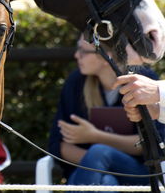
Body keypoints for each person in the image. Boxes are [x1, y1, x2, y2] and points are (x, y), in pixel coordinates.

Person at [48, 34, 165, 191]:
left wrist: (95, 137)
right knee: (107, 182)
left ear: (105, 57)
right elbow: (59, 145)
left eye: (82, 51)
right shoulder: (76, 83)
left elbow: (154, 143)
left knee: (99, 151)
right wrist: (95, 162)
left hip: (136, 174)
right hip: (90, 175)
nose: (76, 55)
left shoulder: (141, 82)